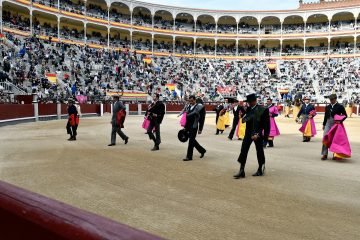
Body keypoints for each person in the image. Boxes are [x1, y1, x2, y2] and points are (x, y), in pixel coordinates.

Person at [233, 93, 270, 179]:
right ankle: (241, 170)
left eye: (250, 102)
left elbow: (266, 125)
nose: (248, 103)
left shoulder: (263, 109)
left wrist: (260, 135)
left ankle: (261, 168)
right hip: (248, 133)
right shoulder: (248, 109)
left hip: (258, 134)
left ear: (254, 101)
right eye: (248, 102)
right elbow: (244, 118)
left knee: (259, 151)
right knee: (243, 150)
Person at [321, 94, 347, 160]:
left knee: (335, 139)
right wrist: (324, 124)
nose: (331, 101)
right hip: (328, 123)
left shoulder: (340, 106)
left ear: (335, 99)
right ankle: (324, 154)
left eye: (332, 99)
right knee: (325, 137)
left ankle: (336, 154)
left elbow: (345, 115)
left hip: (336, 124)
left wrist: (340, 121)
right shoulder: (327, 107)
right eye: (330, 100)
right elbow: (325, 116)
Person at [183, 95, 206, 161]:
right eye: (190, 101)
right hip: (188, 126)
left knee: (191, 141)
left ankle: (189, 156)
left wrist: (200, 129)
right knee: (192, 140)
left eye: (192, 101)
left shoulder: (199, 107)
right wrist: (185, 127)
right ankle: (202, 150)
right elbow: (187, 118)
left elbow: (202, 119)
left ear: (195, 100)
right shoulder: (189, 106)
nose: (191, 102)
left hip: (194, 126)